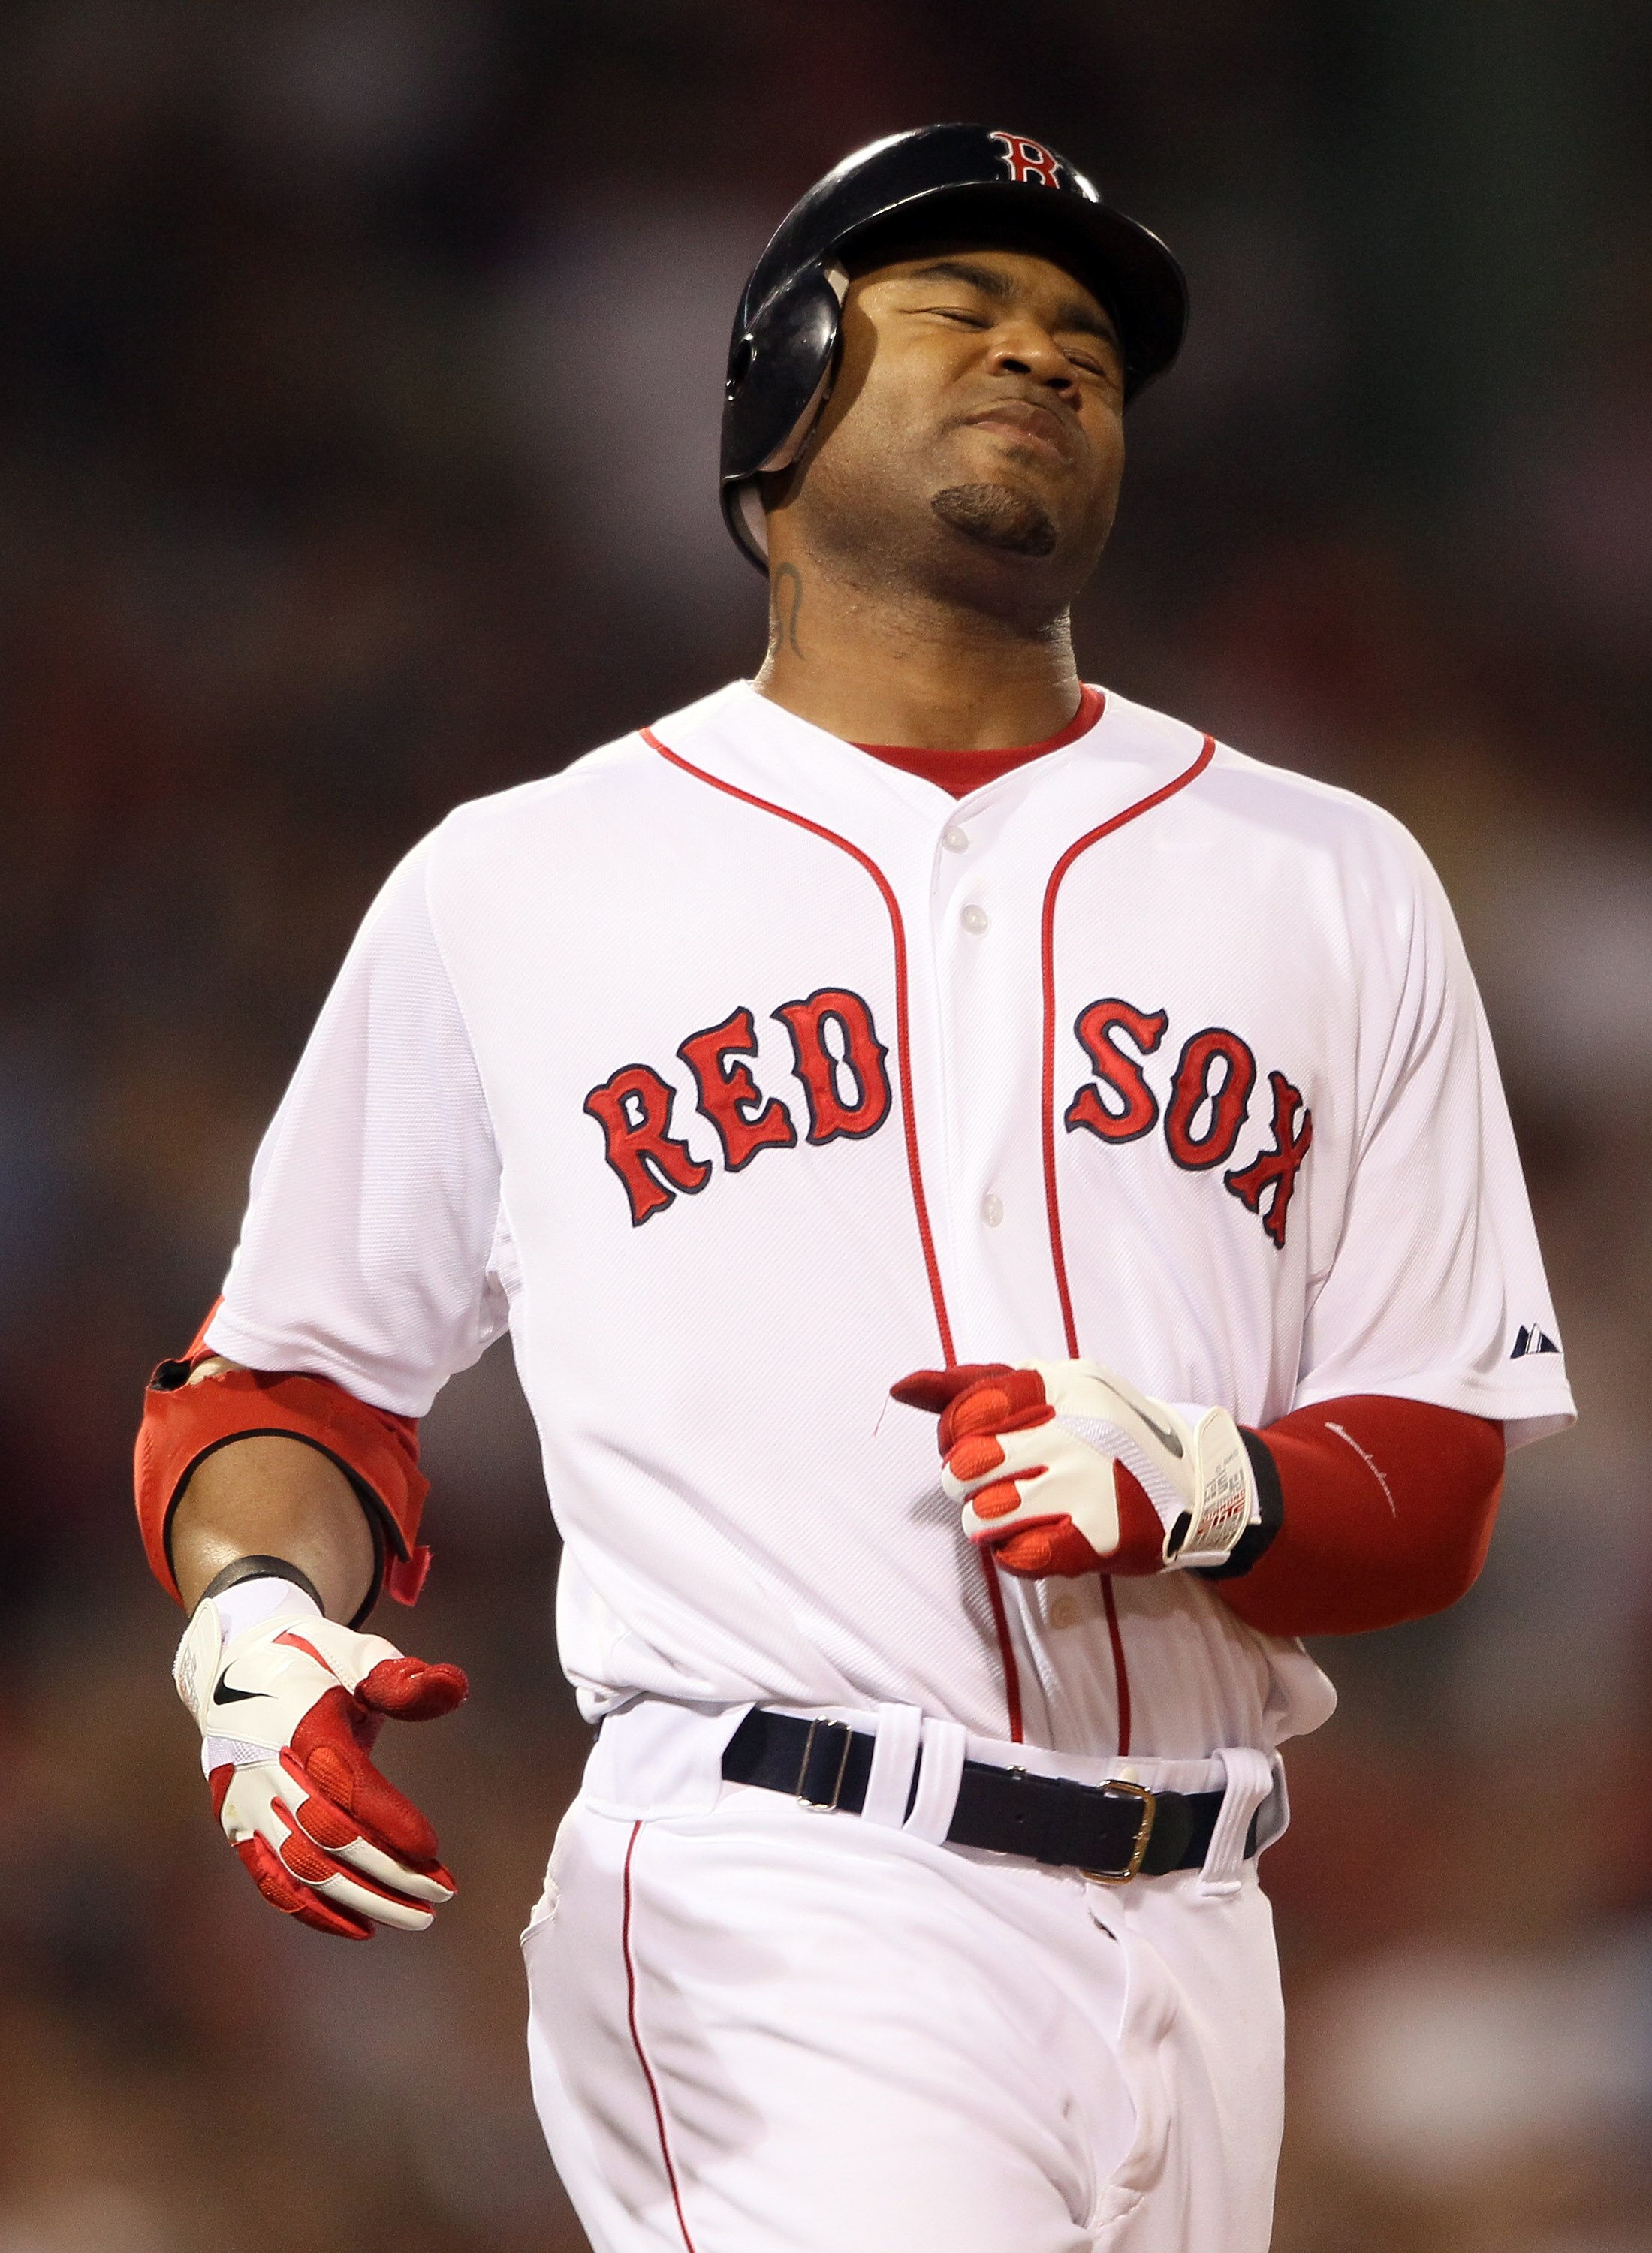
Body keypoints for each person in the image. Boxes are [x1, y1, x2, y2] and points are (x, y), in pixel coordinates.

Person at [137, 125, 1575, 2251]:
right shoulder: (523, 881)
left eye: (1086, 336)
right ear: (785, 381)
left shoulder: (1330, 874)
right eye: (961, 311)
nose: (1045, 356)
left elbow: (1440, 1466)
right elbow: (286, 1389)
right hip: (786, 1892)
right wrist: (258, 1623)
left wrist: (1217, 1486)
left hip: (1204, 1935)